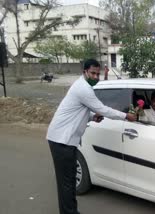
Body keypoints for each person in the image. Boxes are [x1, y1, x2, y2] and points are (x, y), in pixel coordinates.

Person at [46, 59, 136, 214]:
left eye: (97, 73)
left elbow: (78, 112)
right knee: (67, 182)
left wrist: (92, 117)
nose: (95, 76)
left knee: (69, 179)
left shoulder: (83, 86)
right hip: (62, 140)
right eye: (92, 73)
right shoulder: (84, 89)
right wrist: (126, 116)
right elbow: (103, 109)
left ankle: (70, 211)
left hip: (65, 139)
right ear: (85, 72)